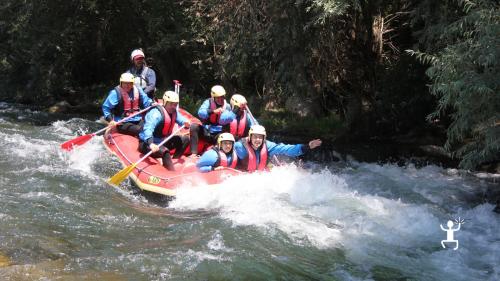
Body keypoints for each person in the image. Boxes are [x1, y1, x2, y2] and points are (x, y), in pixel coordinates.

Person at [138, 91, 190, 171]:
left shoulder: (174, 112)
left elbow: (181, 120)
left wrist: (185, 122)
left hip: (162, 141)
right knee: (165, 151)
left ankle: (172, 161)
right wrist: (151, 144)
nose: (173, 106)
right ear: (165, 102)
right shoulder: (156, 113)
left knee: (185, 139)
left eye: (175, 104)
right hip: (147, 144)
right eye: (171, 104)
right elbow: (148, 129)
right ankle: (171, 172)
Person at [234, 125, 322, 172]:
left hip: (259, 175)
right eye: (255, 137)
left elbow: (285, 149)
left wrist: (307, 146)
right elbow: (224, 153)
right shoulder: (240, 146)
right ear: (250, 137)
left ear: (264, 138)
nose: (258, 140)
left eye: (260, 137)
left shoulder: (267, 145)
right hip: (243, 173)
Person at [189, 85, 233, 156]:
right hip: (207, 131)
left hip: (219, 134)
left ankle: (218, 154)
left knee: (224, 135)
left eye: (222, 97)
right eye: (218, 97)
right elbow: (200, 113)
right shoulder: (208, 102)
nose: (220, 99)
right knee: (194, 127)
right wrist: (213, 111)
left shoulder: (227, 106)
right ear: (213, 97)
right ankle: (194, 153)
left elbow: (229, 119)